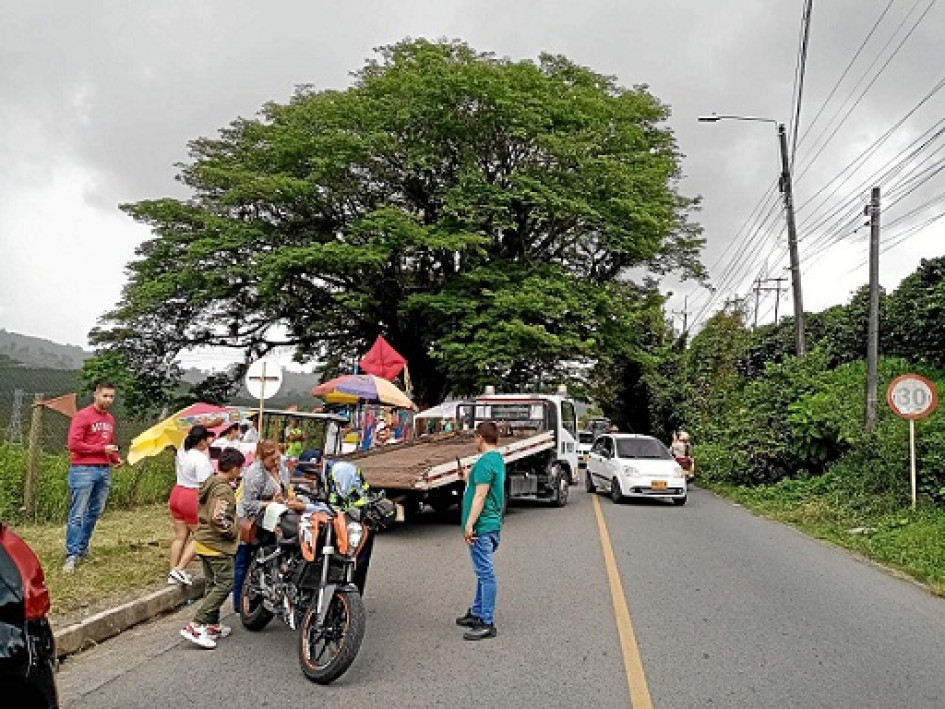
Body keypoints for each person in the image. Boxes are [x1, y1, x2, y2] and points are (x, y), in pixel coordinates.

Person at [179, 447, 246, 649]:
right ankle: (196, 624)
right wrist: (232, 531)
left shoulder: (210, 481)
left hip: (203, 541)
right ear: (233, 469)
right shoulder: (224, 489)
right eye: (239, 468)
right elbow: (218, 517)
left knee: (211, 582)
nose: (240, 472)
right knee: (225, 583)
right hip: (217, 545)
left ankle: (212, 623)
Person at [232, 439, 306, 612]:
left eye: (277, 458)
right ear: (263, 458)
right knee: (244, 562)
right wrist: (269, 503)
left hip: (273, 521)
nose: (276, 463)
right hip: (252, 520)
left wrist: (289, 499)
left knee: (268, 557)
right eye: (272, 460)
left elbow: (286, 489)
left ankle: (264, 598)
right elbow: (248, 503)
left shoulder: (281, 469)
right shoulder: (255, 473)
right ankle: (239, 604)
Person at [63, 381, 122, 573]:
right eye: (105, 396)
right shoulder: (83, 416)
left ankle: (82, 547)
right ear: (95, 395)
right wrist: (101, 449)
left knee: (95, 511)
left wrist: (114, 458)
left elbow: (108, 443)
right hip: (83, 469)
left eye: (111, 397)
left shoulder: (110, 420)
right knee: (77, 513)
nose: (108, 400)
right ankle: (71, 555)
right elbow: (74, 444)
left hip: (103, 469)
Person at [455, 421, 506, 641]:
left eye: (475, 438)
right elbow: (481, 486)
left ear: (480, 438)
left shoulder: (486, 462)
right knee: (481, 571)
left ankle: (486, 621)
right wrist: (467, 477)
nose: (474, 442)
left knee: (485, 574)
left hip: (482, 526)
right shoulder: (496, 459)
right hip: (491, 524)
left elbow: (480, 496)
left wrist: (469, 524)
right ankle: (477, 612)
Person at [168, 425, 216, 586]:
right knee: (201, 534)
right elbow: (204, 485)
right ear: (202, 441)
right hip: (192, 496)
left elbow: (188, 430)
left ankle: (173, 570)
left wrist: (210, 424)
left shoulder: (182, 449)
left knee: (180, 536)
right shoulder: (200, 459)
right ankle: (180, 569)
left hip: (177, 492)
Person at [323, 460, 374, 594]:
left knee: (355, 561)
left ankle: (351, 602)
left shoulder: (339, 472)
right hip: (356, 518)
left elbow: (335, 503)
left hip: (357, 521)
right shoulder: (340, 471)